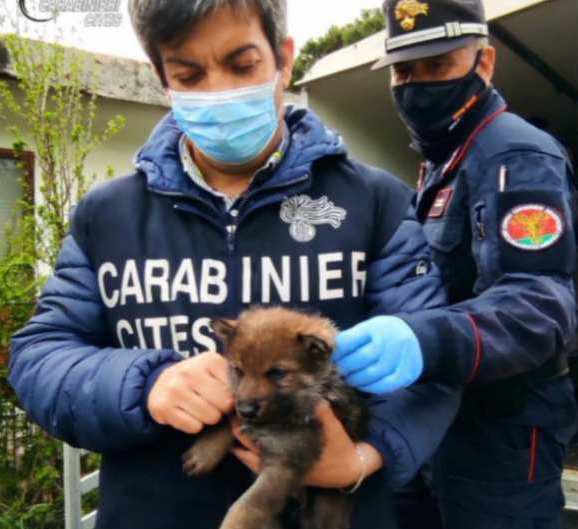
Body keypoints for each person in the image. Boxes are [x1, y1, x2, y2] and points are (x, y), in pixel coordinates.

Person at [8, 1, 462, 529]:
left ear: (283, 59)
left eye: (242, 65)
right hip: (153, 510)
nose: (218, 90)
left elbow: (435, 356)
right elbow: (39, 357)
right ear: (163, 79)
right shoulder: (106, 215)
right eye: (189, 74)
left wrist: (367, 456)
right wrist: (140, 383)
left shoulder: (375, 201)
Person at [334, 1, 577, 528]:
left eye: (438, 66)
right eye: (403, 71)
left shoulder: (515, 156)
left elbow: (541, 305)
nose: (417, 86)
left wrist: (426, 341)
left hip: (503, 431)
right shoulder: (444, 160)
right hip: (438, 420)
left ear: (484, 62)